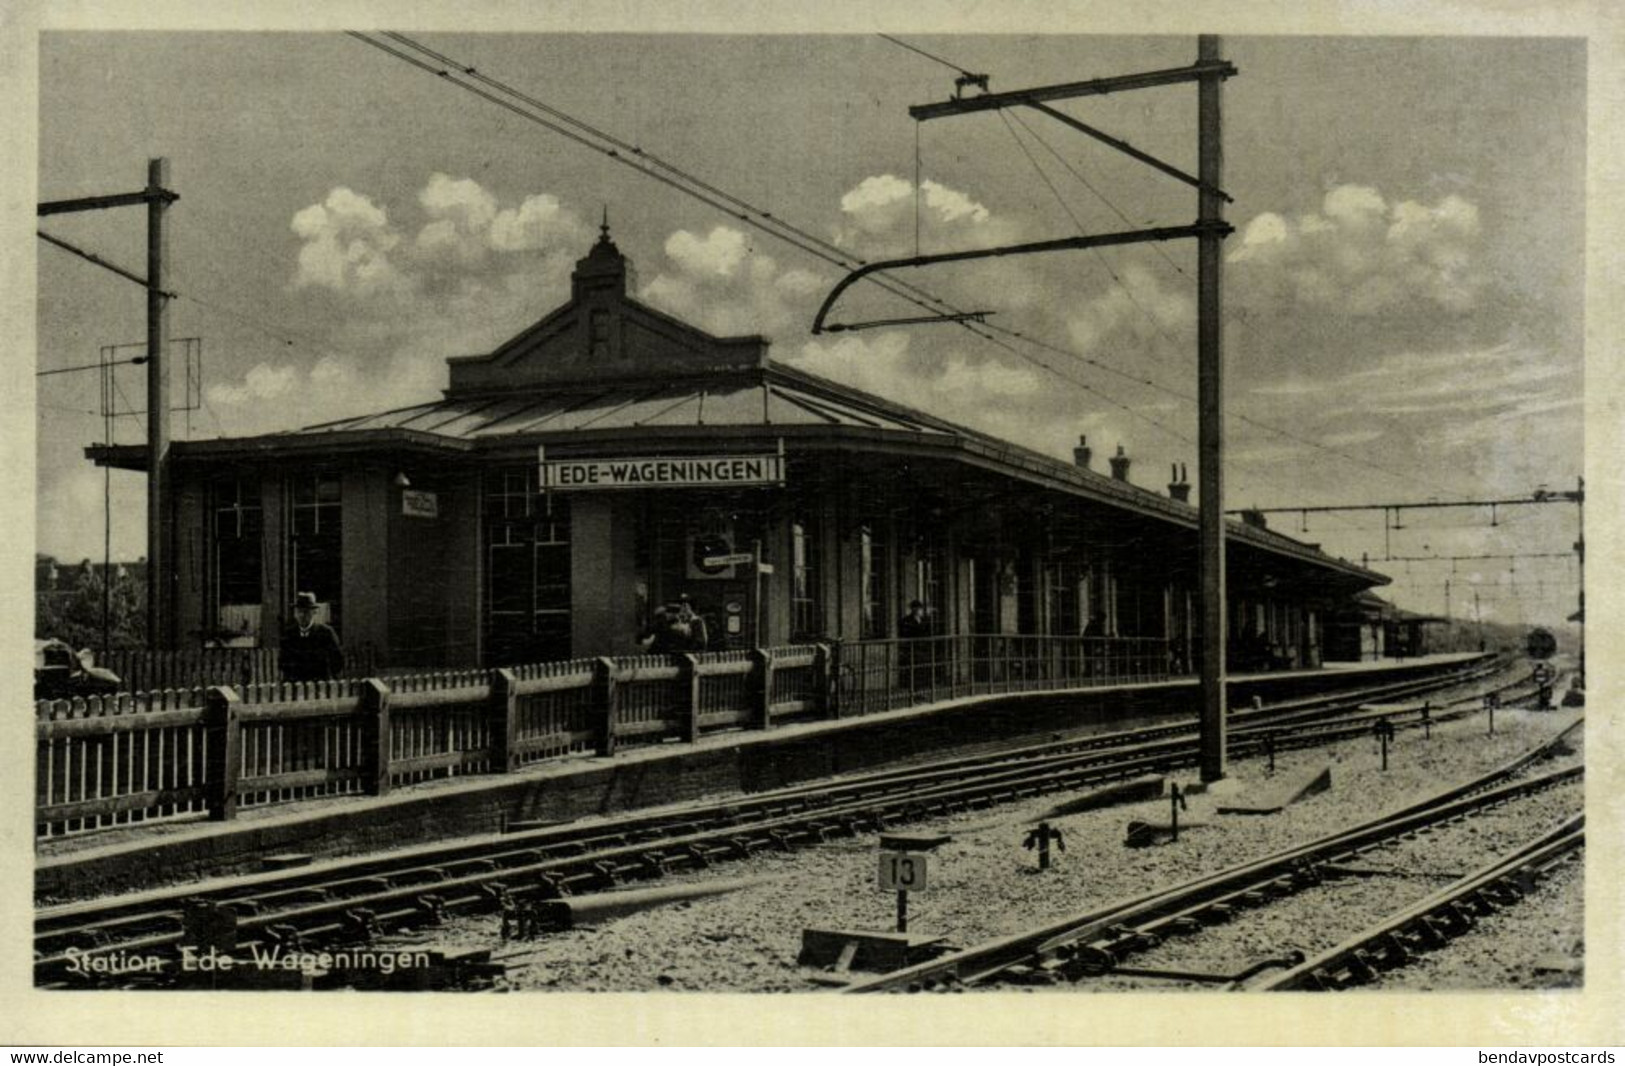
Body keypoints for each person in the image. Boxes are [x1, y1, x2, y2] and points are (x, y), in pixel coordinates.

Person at [281, 591, 344, 682]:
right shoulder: (289, 634)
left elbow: (337, 661)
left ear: (314, 612)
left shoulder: (325, 633)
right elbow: (283, 662)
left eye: (306, 612)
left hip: (319, 684)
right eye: (299, 611)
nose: (302, 615)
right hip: (295, 685)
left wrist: (327, 677)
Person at [898, 599, 931, 692]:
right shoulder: (906, 620)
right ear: (914, 609)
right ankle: (913, 692)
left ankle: (920, 691)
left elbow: (928, 633)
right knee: (913, 671)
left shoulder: (924, 620)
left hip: (922, 650)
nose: (920, 611)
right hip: (912, 649)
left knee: (922, 671)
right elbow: (904, 634)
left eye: (920, 608)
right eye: (918, 609)